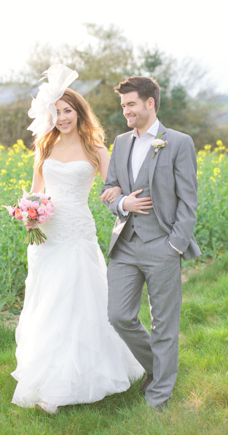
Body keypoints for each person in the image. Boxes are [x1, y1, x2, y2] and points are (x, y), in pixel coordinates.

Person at [12, 64, 143, 413]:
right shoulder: (44, 146)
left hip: (78, 232)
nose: (62, 117)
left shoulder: (96, 150)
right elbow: (36, 193)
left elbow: (118, 188)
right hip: (48, 235)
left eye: (67, 110)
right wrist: (26, 212)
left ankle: (62, 388)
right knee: (48, 302)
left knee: (78, 301)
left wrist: (121, 198)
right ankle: (47, 373)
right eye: (55, 112)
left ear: (78, 111)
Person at [101, 76, 200, 410]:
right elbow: (110, 189)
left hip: (163, 244)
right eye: (123, 105)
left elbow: (188, 201)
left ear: (150, 103)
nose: (125, 111)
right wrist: (121, 204)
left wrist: (175, 245)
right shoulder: (120, 143)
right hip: (125, 245)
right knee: (118, 316)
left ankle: (158, 396)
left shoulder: (179, 142)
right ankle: (161, 370)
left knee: (164, 324)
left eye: (131, 104)